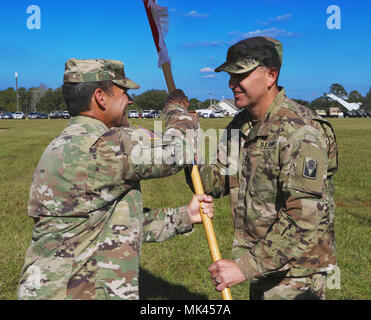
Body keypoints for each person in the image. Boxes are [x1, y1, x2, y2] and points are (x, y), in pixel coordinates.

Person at [18, 58, 214, 300]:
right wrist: (177, 109)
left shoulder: (67, 142)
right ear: (101, 97)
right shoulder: (104, 145)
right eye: (124, 92)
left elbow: (112, 225)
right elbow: (182, 149)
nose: (130, 100)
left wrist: (186, 216)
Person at [190, 37, 338, 300]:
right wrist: (186, 148)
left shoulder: (301, 131)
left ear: (271, 75)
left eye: (241, 74)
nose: (231, 84)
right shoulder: (242, 125)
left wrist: (243, 267)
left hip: (295, 276)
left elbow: (303, 218)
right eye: (230, 75)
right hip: (261, 265)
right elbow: (215, 181)